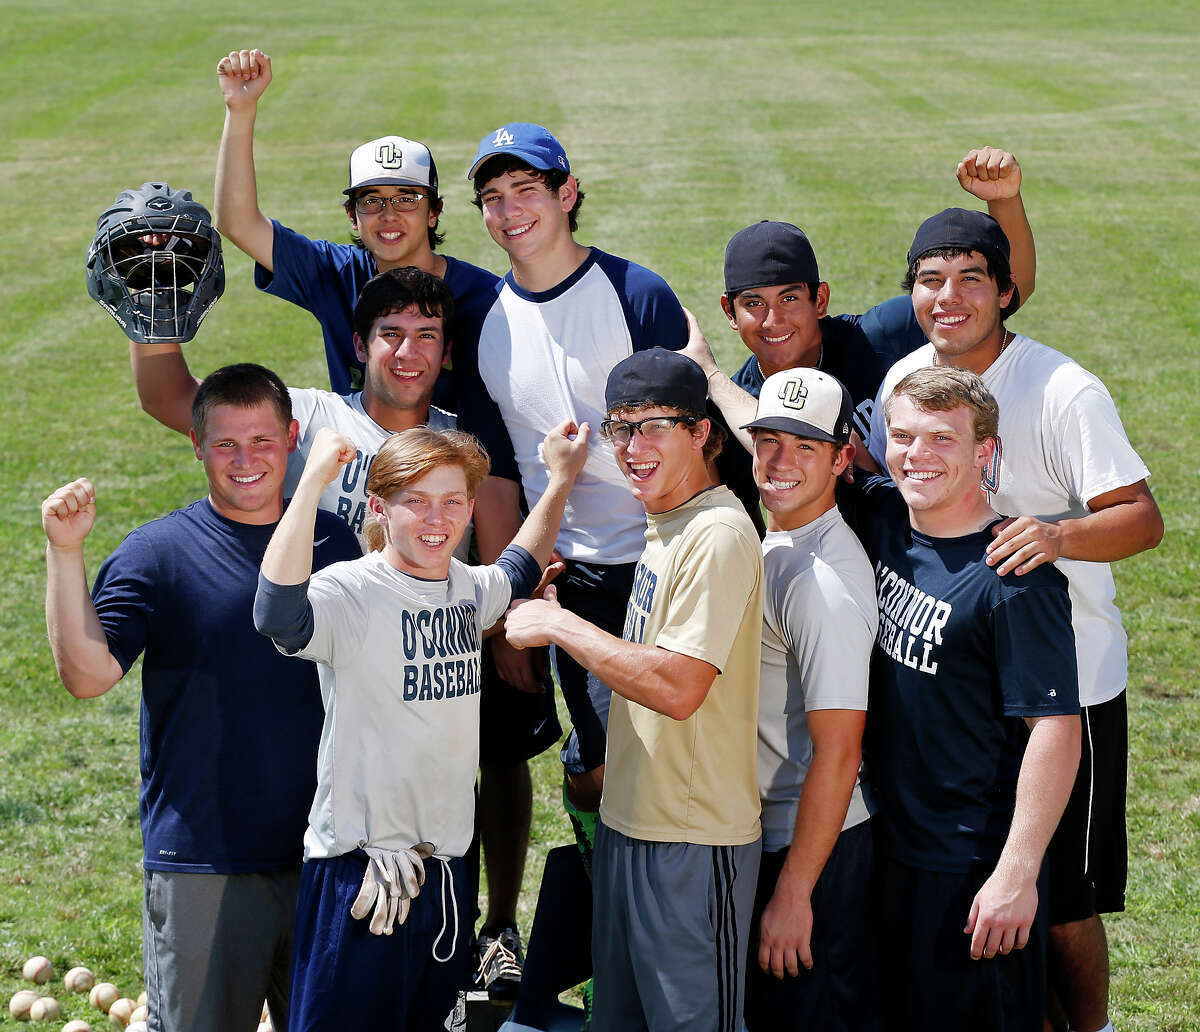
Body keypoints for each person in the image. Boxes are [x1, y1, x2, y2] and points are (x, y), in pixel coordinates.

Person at [130, 261, 551, 995]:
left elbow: (500, 554)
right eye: (391, 334)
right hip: (293, 663)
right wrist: (153, 322)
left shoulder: (458, 444)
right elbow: (179, 402)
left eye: (428, 335)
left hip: (393, 707)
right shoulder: (313, 418)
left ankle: (471, 935)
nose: (409, 351)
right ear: (359, 344)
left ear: (448, 352)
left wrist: (509, 622)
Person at [865, 209, 1164, 1032]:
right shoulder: (908, 381)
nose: (948, 296)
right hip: (959, 674)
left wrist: (1057, 533)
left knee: (1060, 898)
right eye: (930, 279)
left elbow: (1144, 519)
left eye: (970, 278)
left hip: (1070, 680)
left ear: (1007, 291)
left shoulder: (1064, 390)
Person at [41, 364, 360, 1032]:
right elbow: (88, 676)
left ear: (293, 438)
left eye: (263, 441)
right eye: (225, 444)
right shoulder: (157, 554)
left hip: (327, 852)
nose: (246, 460)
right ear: (196, 444)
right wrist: (64, 554)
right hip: (206, 863)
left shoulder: (333, 541)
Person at [252, 418, 588, 1030]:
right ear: (379, 507)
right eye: (417, 502)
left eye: (452, 502)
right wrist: (313, 483)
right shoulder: (351, 592)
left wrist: (561, 477)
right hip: (360, 876)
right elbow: (276, 611)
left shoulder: (466, 588)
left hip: (446, 874)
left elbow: (517, 565)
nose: (437, 521)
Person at [506, 348, 764, 1032]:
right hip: (630, 829)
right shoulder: (665, 521)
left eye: (654, 427)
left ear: (703, 432)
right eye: (620, 427)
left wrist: (561, 627)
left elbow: (679, 686)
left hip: (693, 845)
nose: (631, 447)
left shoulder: (717, 535)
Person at [459, 122, 689, 883]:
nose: (509, 210)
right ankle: (608, 912)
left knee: (684, 757)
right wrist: (509, 599)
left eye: (526, 190)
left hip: (668, 561)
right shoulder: (487, 325)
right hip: (576, 576)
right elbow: (498, 477)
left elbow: (695, 441)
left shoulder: (635, 293)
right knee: (596, 767)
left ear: (568, 193)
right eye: (492, 198)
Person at [856, 366, 1081, 1031]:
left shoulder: (1014, 577)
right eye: (902, 437)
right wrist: (713, 375)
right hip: (889, 849)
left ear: (985, 451)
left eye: (942, 439)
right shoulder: (887, 516)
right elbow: (790, 454)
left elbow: (1056, 727)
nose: (916, 456)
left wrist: (1017, 875)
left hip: (969, 871)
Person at [682, 148, 1035, 520]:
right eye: (754, 303)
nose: (774, 320)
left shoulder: (882, 336)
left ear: (820, 299)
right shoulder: (734, 409)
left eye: (789, 298)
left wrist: (1004, 201)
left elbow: (1001, 297)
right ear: (729, 312)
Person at [214, 47, 500, 397]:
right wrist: (240, 110)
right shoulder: (335, 273)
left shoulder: (486, 295)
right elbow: (237, 223)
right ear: (352, 216)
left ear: (434, 211)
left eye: (407, 199)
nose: (388, 214)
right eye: (371, 200)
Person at [738, 369, 879, 1031]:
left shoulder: (824, 582)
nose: (779, 462)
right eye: (769, 440)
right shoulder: (784, 539)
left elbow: (841, 751)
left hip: (812, 854)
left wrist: (795, 894)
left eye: (805, 447)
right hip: (774, 839)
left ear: (842, 458)